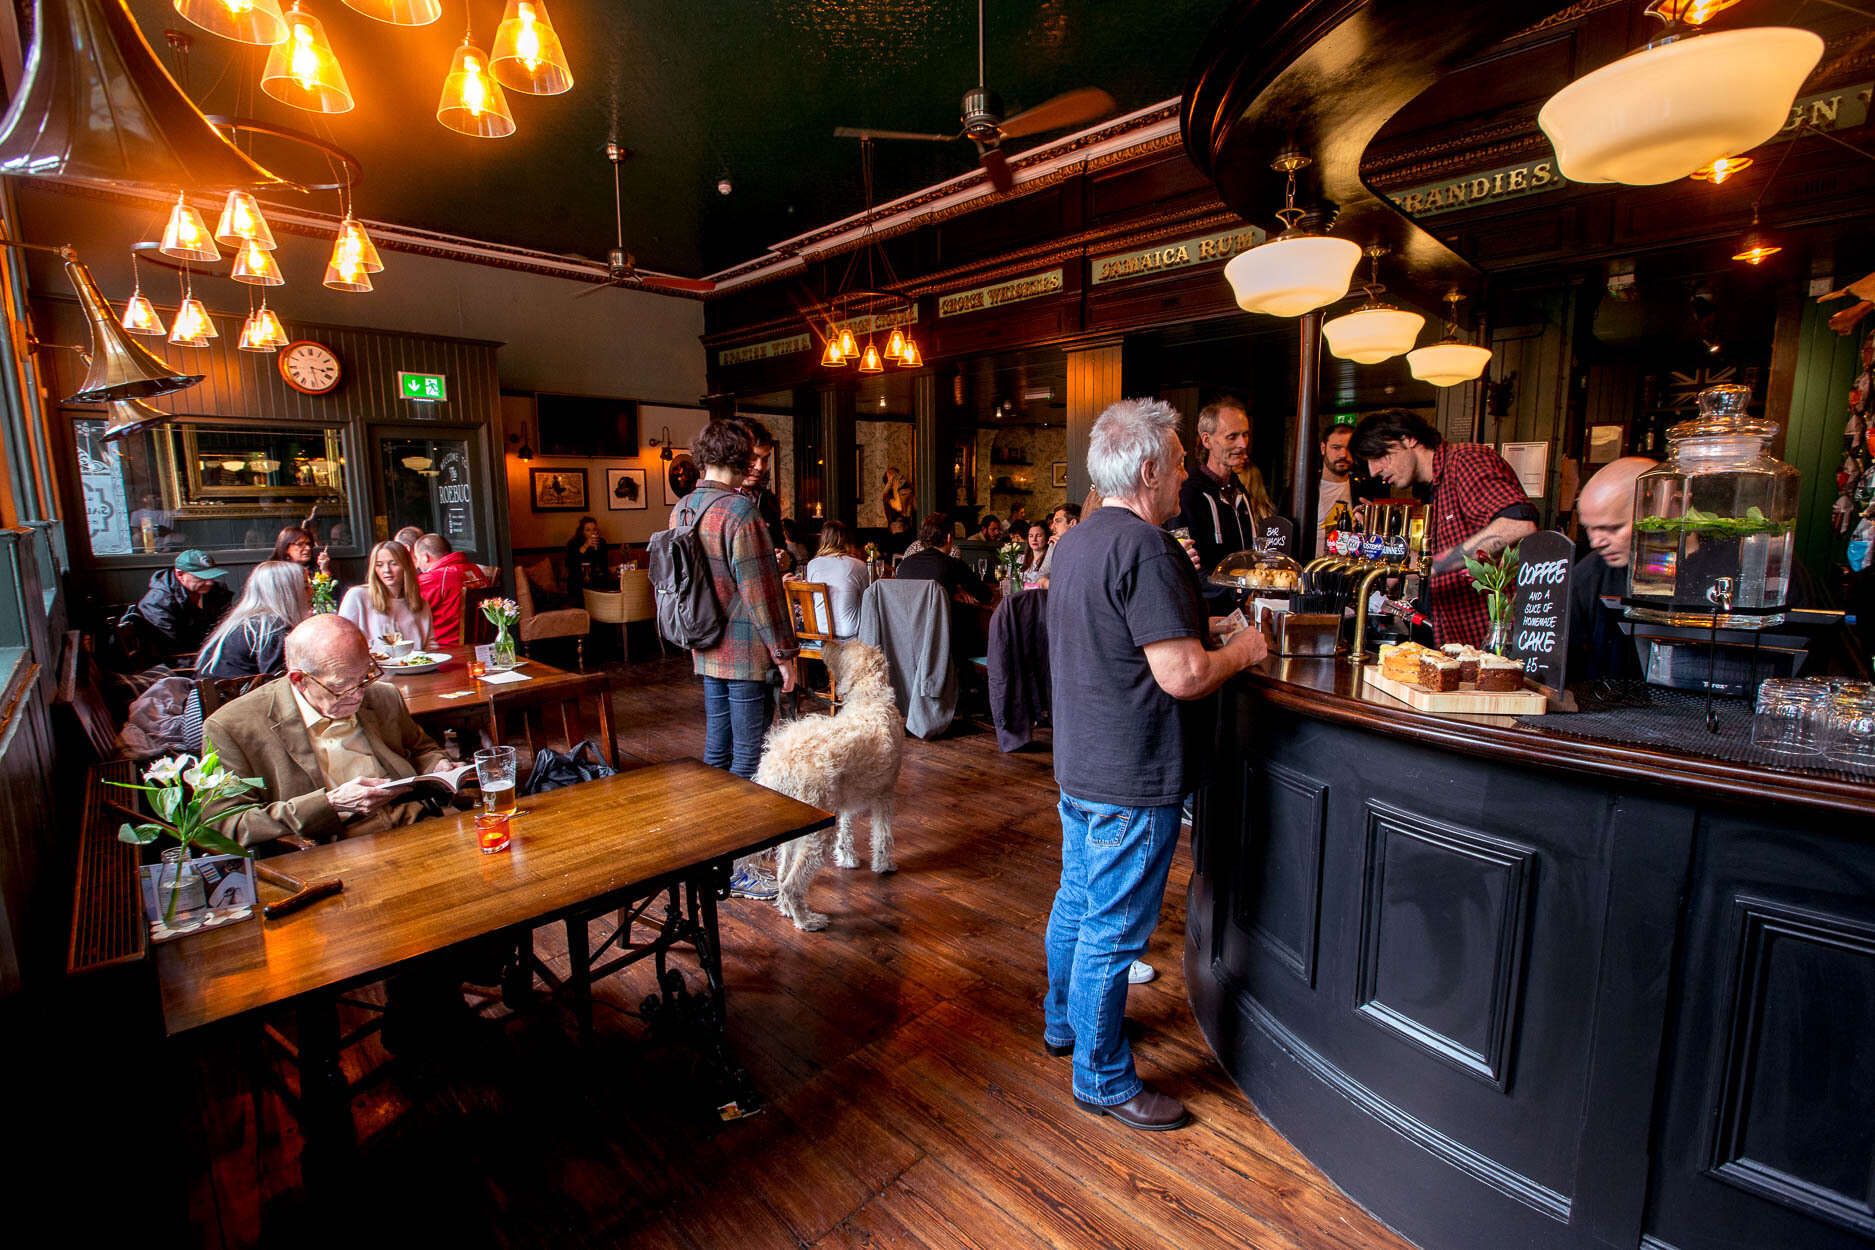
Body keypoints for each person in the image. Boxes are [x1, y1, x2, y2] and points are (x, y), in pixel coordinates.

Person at [1044, 397, 1268, 1132]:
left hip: (1083, 763)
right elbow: (1181, 677)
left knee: (1077, 906)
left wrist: (1196, 626)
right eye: (1175, 463)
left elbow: (1117, 633)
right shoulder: (1148, 548)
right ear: (1146, 469)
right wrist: (1243, 649)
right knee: (1111, 931)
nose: (1181, 476)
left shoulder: (1074, 541)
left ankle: (1064, 1024)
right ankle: (1101, 1078)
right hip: (1131, 772)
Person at [672, 419, 799, 900]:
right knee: (749, 755)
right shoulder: (740, 512)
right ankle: (739, 865)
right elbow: (762, 593)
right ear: (743, 458)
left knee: (716, 754)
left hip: (703, 645)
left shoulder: (683, 509)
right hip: (744, 650)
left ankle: (712, 856)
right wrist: (785, 654)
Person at [203, 615, 454, 846]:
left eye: (365, 677)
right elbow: (227, 825)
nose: (358, 696)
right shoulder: (231, 727)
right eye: (342, 687)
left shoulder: (381, 695)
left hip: (411, 821)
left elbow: (422, 749)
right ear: (299, 680)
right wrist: (330, 804)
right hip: (326, 843)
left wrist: (438, 765)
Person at [1351, 409, 1538, 647]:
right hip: (1456, 641)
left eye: (1379, 456)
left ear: (1408, 438)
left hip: (1491, 642)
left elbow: (1519, 524)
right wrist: (1399, 565)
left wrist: (1434, 564)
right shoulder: (1432, 489)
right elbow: (1448, 557)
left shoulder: (1466, 460)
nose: (1373, 470)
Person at [1568, 456, 1654, 682]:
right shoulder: (1586, 576)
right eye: (1589, 528)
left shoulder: (1722, 571)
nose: (1596, 542)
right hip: (1608, 709)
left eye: (1613, 528)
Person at [1176, 399, 1260, 589]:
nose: (1242, 444)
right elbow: (1188, 566)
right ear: (1207, 440)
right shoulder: (1188, 493)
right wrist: (1234, 593)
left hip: (1241, 606)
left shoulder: (1240, 491)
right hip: (1208, 610)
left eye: (1245, 435)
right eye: (1232, 437)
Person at [196, 561, 310, 679]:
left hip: (208, 694)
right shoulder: (272, 627)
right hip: (231, 695)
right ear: (289, 593)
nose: (312, 592)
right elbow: (278, 681)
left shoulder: (244, 621)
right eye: (305, 587)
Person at [127, 548, 232, 656]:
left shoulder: (218, 591)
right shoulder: (157, 603)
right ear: (180, 574)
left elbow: (225, 627)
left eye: (211, 576)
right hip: (180, 663)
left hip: (211, 654)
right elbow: (171, 649)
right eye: (202, 578)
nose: (210, 583)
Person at [340, 540, 435, 650]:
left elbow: (430, 645)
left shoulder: (421, 603)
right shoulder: (357, 596)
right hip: (372, 666)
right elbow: (343, 641)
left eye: (393, 563)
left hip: (415, 666)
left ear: (406, 566)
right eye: (379, 565)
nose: (386, 570)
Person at [413, 532, 492, 646]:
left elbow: (412, 608)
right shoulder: (475, 569)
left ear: (425, 557)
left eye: (417, 558)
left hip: (445, 647)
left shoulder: (432, 579)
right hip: (482, 644)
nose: (417, 564)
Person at [897, 513, 992, 605]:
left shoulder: (904, 564)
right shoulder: (954, 565)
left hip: (906, 621)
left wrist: (951, 592)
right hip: (940, 620)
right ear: (949, 537)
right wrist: (953, 592)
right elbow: (986, 595)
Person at [803, 519, 874, 640]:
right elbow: (867, 599)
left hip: (819, 633)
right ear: (847, 540)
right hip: (850, 634)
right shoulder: (858, 565)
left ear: (823, 540)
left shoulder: (812, 565)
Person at [736, 418, 785, 554]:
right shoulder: (719, 498)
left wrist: (787, 560)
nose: (759, 466)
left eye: (764, 459)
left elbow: (780, 545)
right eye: (753, 457)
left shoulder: (769, 500)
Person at [1315, 423, 1357, 557]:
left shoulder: (1362, 488)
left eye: (1350, 448)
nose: (1343, 454)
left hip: (1350, 571)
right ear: (1323, 448)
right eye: (1336, 448)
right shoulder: (1304, 489)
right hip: (1311, 570)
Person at [564, 515, 610, 598]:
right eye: (588, 530)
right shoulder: (573, 543)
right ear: (582, 532)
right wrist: (586, 546)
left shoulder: (602, 542)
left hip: (597, 579)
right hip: (578, 580)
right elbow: (570, 564)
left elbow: (604, 565)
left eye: (594, 529)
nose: (592, 532)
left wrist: (597, 549)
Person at [1035, 503, 1080, 580]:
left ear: (1072, 523)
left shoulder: (1084, 546)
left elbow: (1074, 579)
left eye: (1058, 521)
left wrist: (1062, 550)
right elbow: (1040, 576)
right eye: (1053, 522)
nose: (1052, 527)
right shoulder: (1054, 543)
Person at [883, 467, 916, 550]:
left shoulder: (906, 492)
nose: (896, 478)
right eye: (892, 476)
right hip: (895, 536)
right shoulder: (888, 497)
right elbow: (899, 507)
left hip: (908, 532)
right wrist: (894, 487)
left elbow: (914, 508)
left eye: (896, 475)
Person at [1019, 519, 1050, 584]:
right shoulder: (1021, 559)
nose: (1034, 539)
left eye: (1038, 536)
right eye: (1031, 536)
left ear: (1047, 538)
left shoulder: (1050, 560)